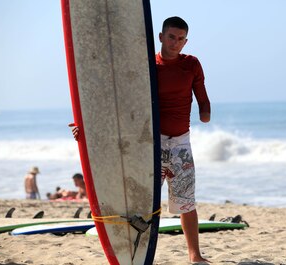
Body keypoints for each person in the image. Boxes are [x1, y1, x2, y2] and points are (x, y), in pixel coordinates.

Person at [69, 16, 210, 263]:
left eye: (180, 39)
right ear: (160, 37)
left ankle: (194, 255)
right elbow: (119, 100)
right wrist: (87, 127)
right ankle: (135, 254)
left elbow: (202, 96)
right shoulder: (147, 66)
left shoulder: (192, 65)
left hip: (180, 144)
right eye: (171, 37)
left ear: (185, 42)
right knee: (141, 203)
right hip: (149, 144)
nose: (175, 43)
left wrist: (205, 112)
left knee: (186, 202)